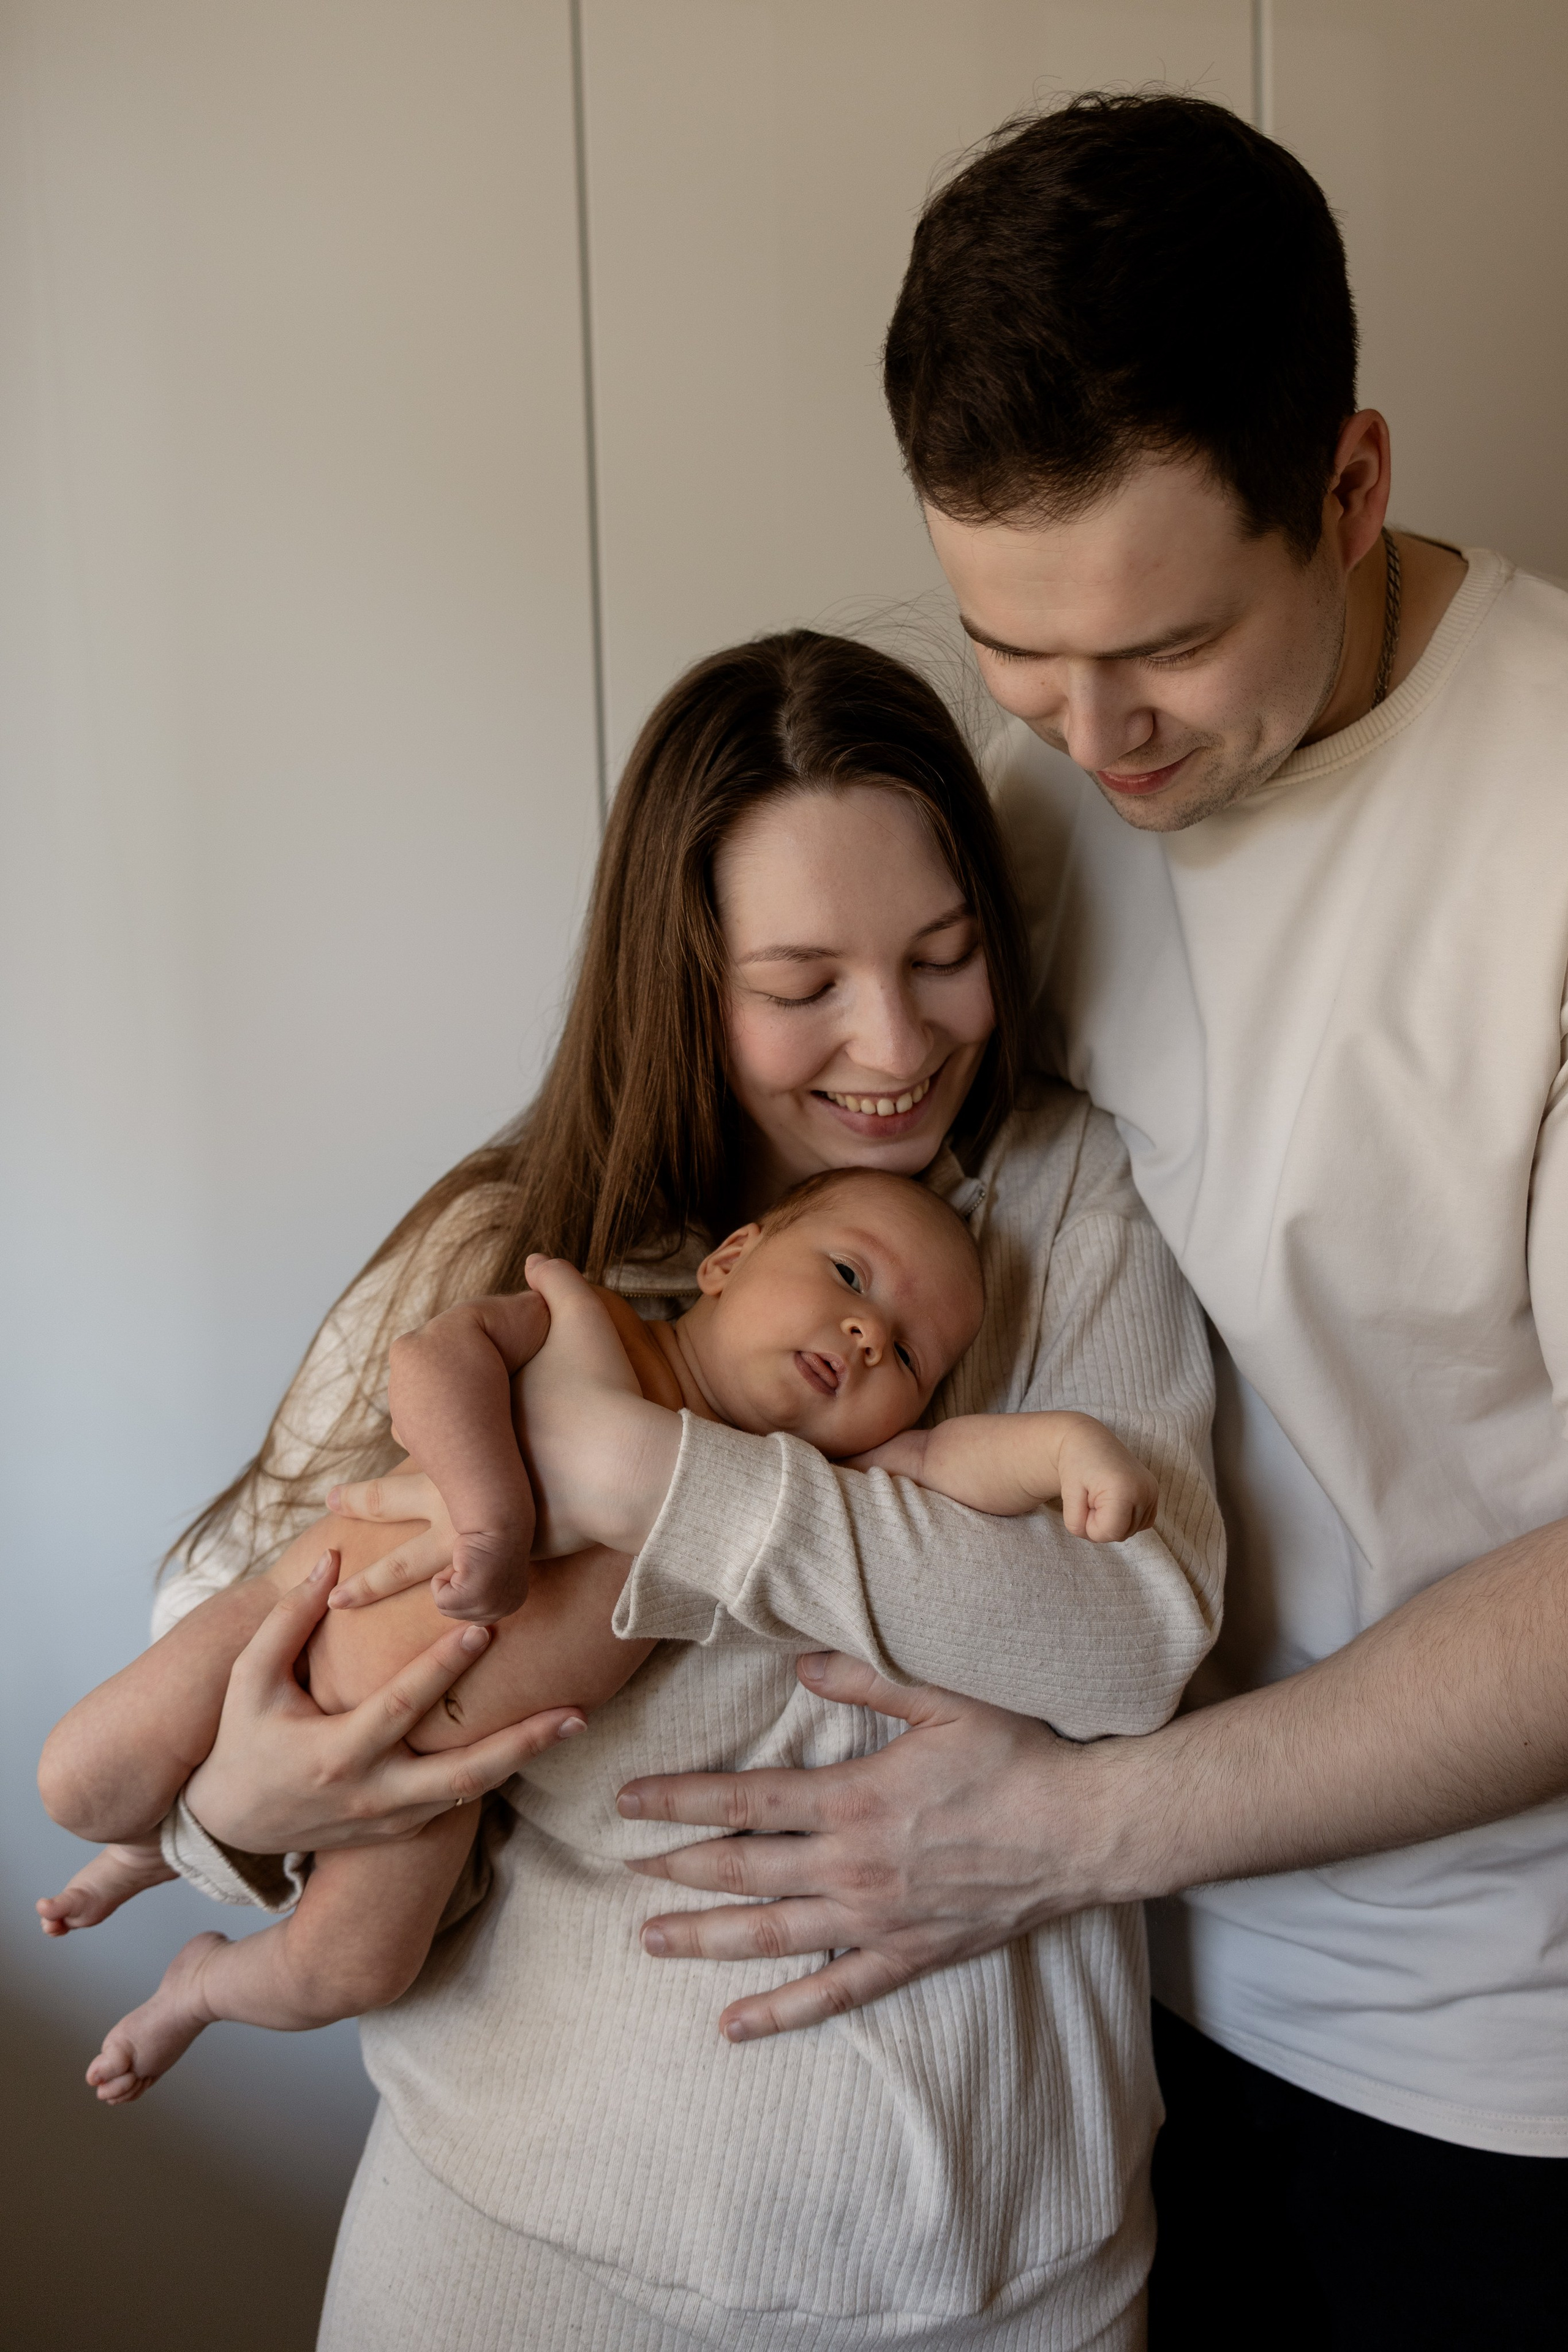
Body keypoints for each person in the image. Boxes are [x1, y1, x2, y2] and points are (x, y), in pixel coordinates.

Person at [564, 95, 1568, 2351]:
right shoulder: (1014, 822)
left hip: (1485, 2063)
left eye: (1169, 652)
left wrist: (1086, 1830)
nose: (1092, 737)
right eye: (1014, 646)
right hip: (1088, 2017)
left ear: (1354, 485)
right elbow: (687, 1226)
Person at [78, 630, 1223, 2348]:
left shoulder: (1070, 1211)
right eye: (801, 983)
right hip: (521, 2253)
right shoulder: (523, 1242)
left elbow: (1132, 1645)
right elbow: (236, 1649)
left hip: (1002, 2288)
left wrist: (660, 1484)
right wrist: (237, 1823)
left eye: (944, 954)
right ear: (688, 976)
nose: (895, 1043)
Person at [41, 1164, 1158, 2105]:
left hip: (438, 1787)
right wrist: (492, 1512)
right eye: (849, 1276)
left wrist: (1060, 1450)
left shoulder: (798, 1483)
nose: (870, 1333)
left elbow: (942, 1469)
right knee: (77, 1785)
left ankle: (197, 1986)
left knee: (354, 1970)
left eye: (910, 1359)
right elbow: (434, 1361)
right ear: (727, 1260)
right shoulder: (592, 1318)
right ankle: (154, 1843)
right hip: (289, 1616)